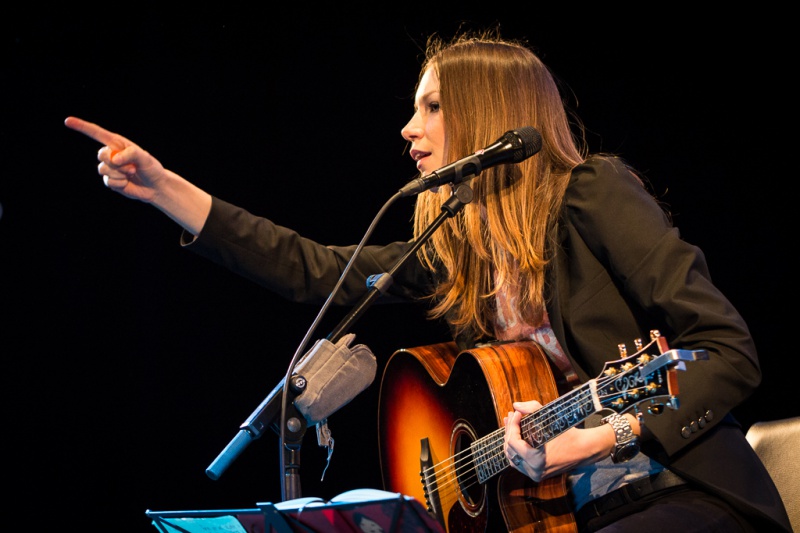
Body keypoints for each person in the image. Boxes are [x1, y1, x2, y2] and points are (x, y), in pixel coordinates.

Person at [64, 29, 791, 533]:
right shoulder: (458, 245)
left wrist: (603, 435)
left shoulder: (591, 195)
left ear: (486, 113)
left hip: (677, 491)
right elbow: (317, 270)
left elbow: (729, 350)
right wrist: (164, 189)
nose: (409, 129)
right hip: (555, 515)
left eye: (432, 107)